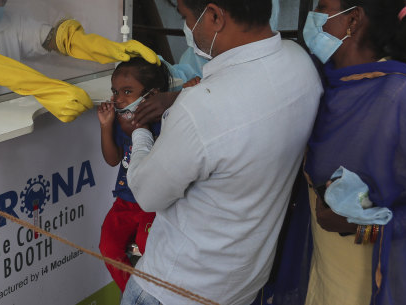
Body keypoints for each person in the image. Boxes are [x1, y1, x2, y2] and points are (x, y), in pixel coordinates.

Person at [122, 0, 322, 304]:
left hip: (173, 289)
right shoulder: (300, 64)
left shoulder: (201, 109)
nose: (188, 29)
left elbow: (147, 194)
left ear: (215, 16)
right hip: (241, 288)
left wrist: (138, 132)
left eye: (188, 18)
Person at [272, 0, 406, 304]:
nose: (312, 18)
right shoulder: (325, 83)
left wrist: (359, 228)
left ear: (353, 20)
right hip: (322, 275)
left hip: (371, 285)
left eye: (322, 7)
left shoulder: (398, 95)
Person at [0, 0, 159, 122]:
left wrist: (110, 49)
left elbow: (57, 39)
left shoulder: (10, 22)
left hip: (6, 125)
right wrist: (48, 90)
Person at [97, 57, 171, 292]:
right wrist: (106, 126)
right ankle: (135, 294)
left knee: (147, 244)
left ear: (151, 95)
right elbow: (112, 159)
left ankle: (157, 295)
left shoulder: (167, 124)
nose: (118, 98)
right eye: (115, 91)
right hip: (126, 201)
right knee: (108, 247)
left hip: (153, 204)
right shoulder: (120, 122)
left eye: (127, 91)